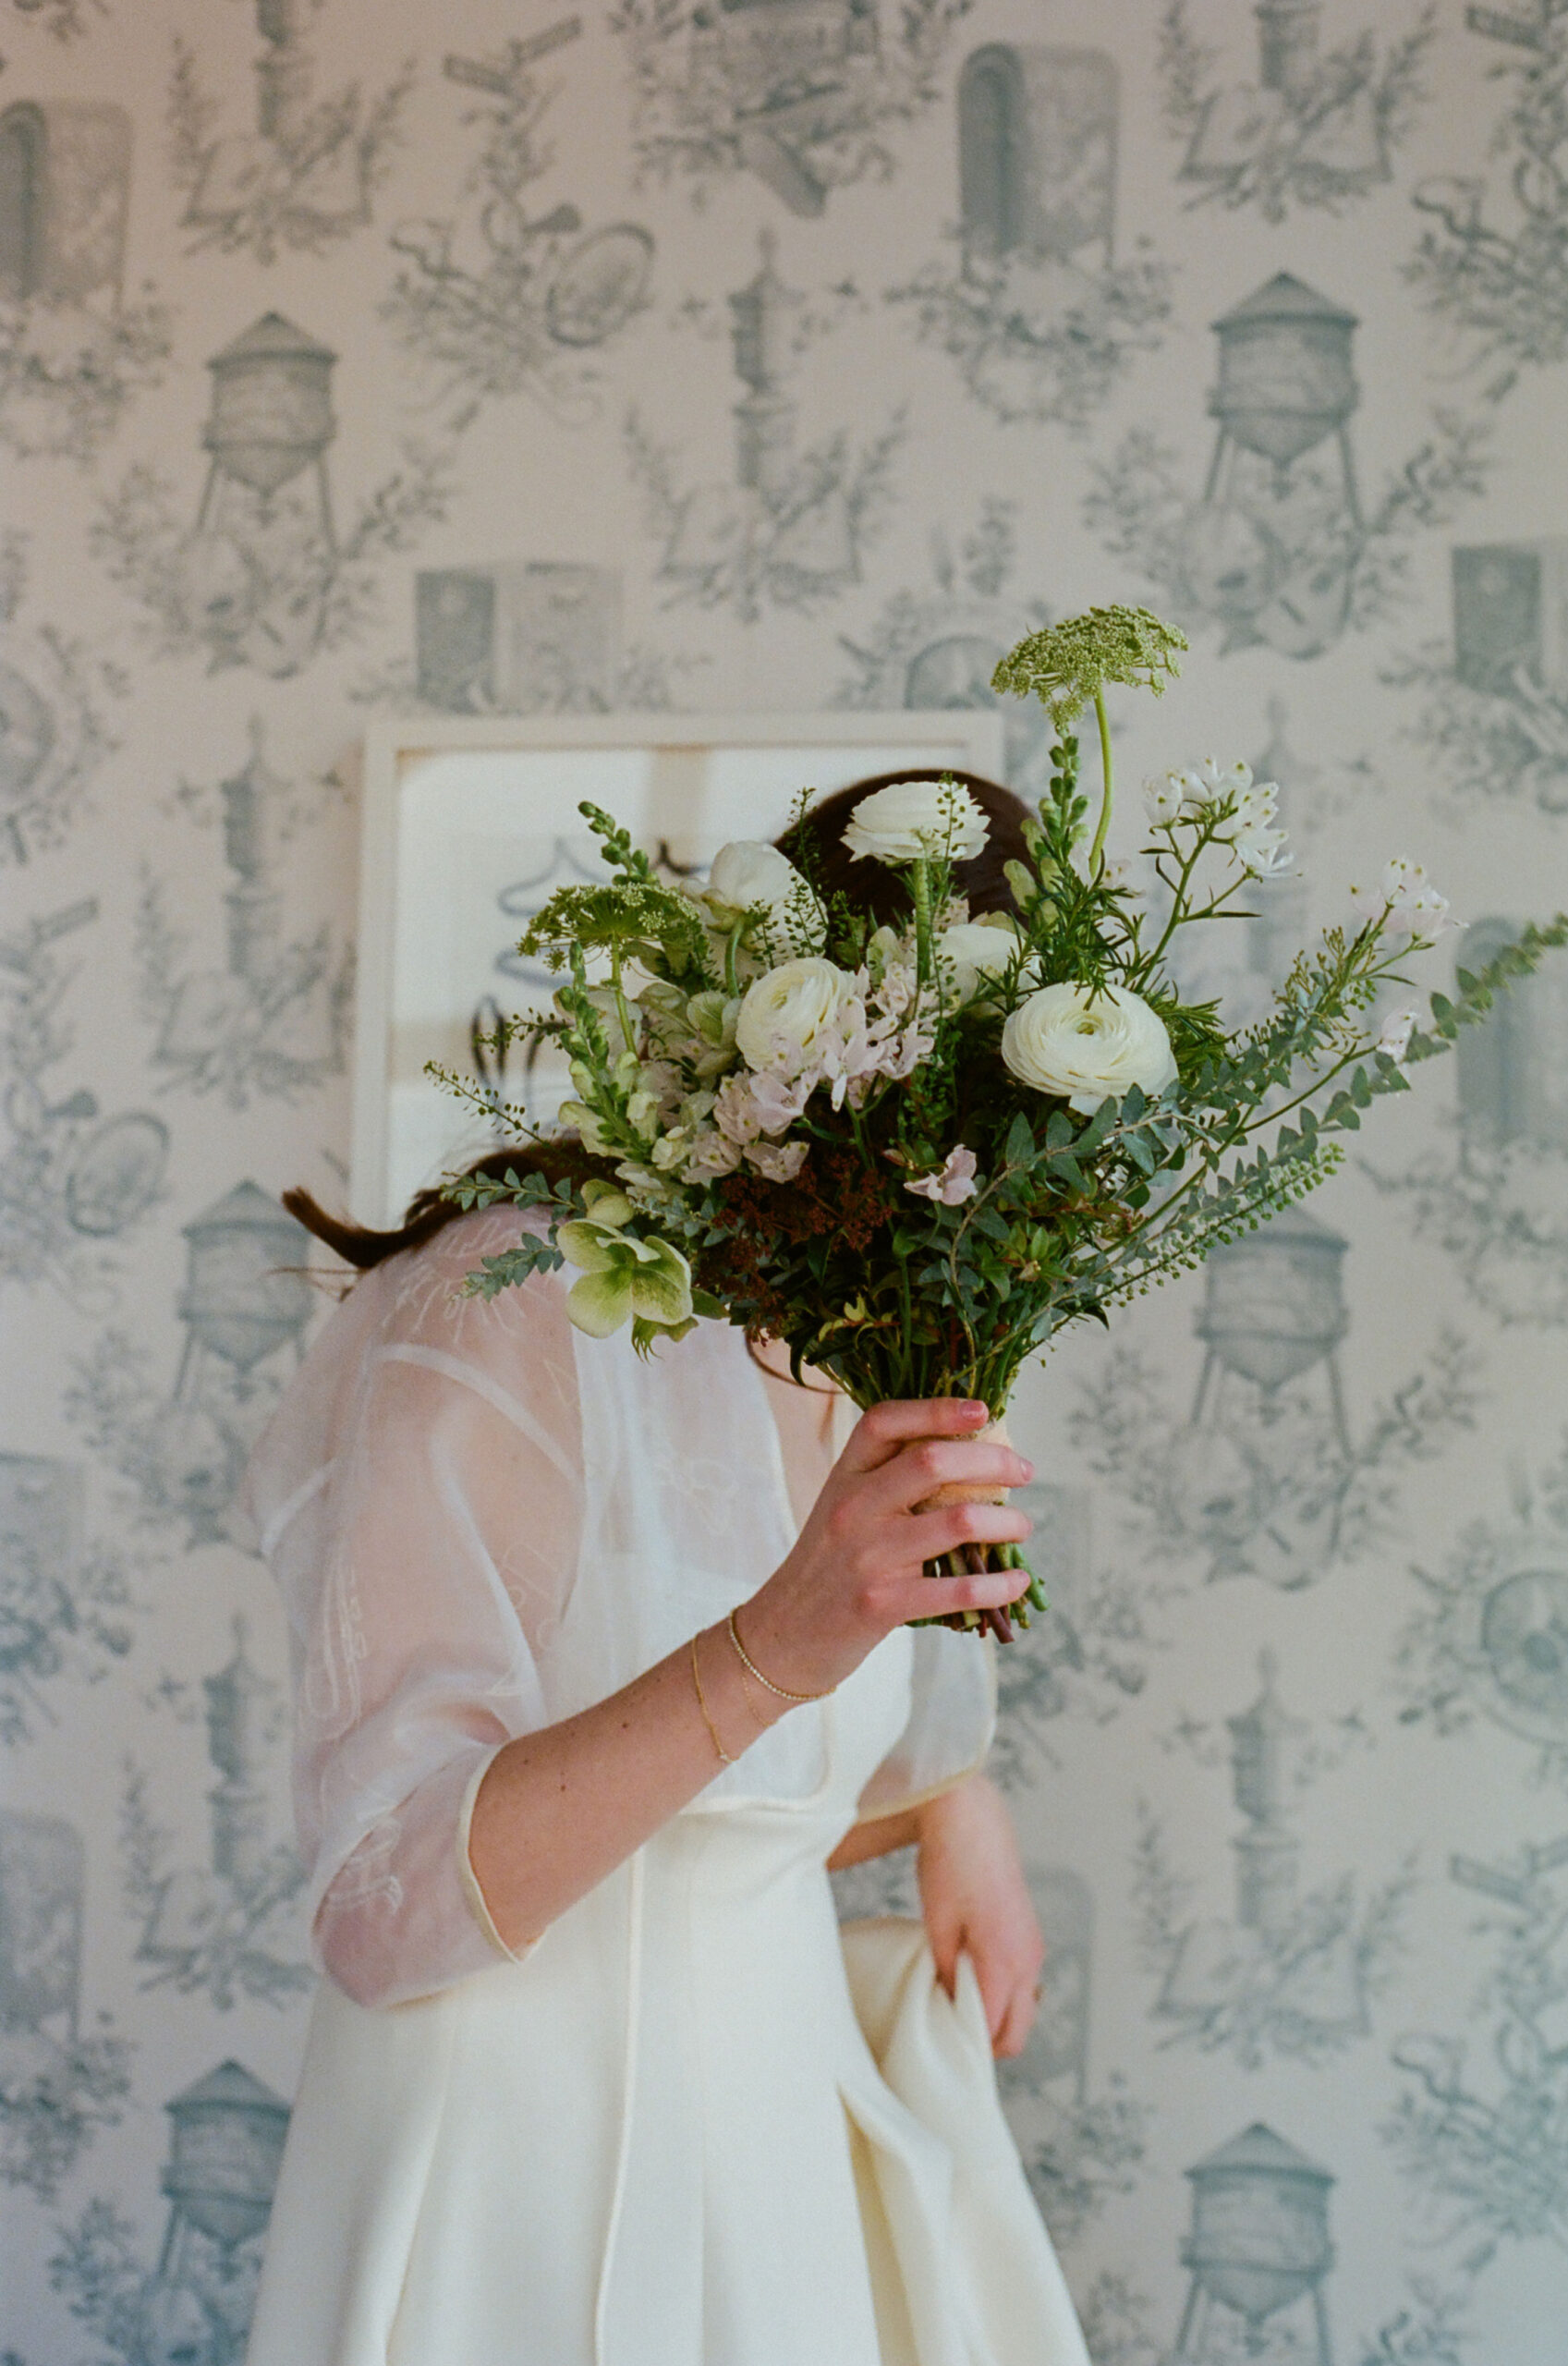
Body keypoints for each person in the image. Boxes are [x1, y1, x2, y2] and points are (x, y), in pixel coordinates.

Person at [242, 773, 1092, 2366]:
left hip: (769, 2155)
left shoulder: (859, 1330)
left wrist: (952, 1802)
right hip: (512, 2176)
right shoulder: (489, 1309)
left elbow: (739, 1808)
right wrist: (774, 1642)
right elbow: (378, 1901)